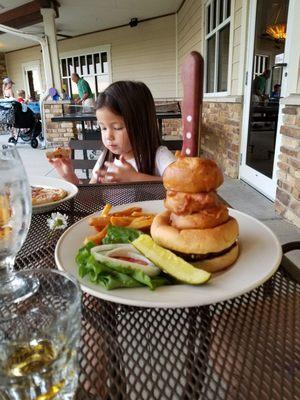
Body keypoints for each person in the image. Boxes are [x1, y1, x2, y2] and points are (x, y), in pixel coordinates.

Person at [48, 80, 176, 185]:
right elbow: (90, 198)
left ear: (141, 124)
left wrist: (135, 178)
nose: (108, 136)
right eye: (103, 128)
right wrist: (70, 176)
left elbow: (181, 184)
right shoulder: (106, 158)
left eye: (118, 127)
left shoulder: (159, 156)